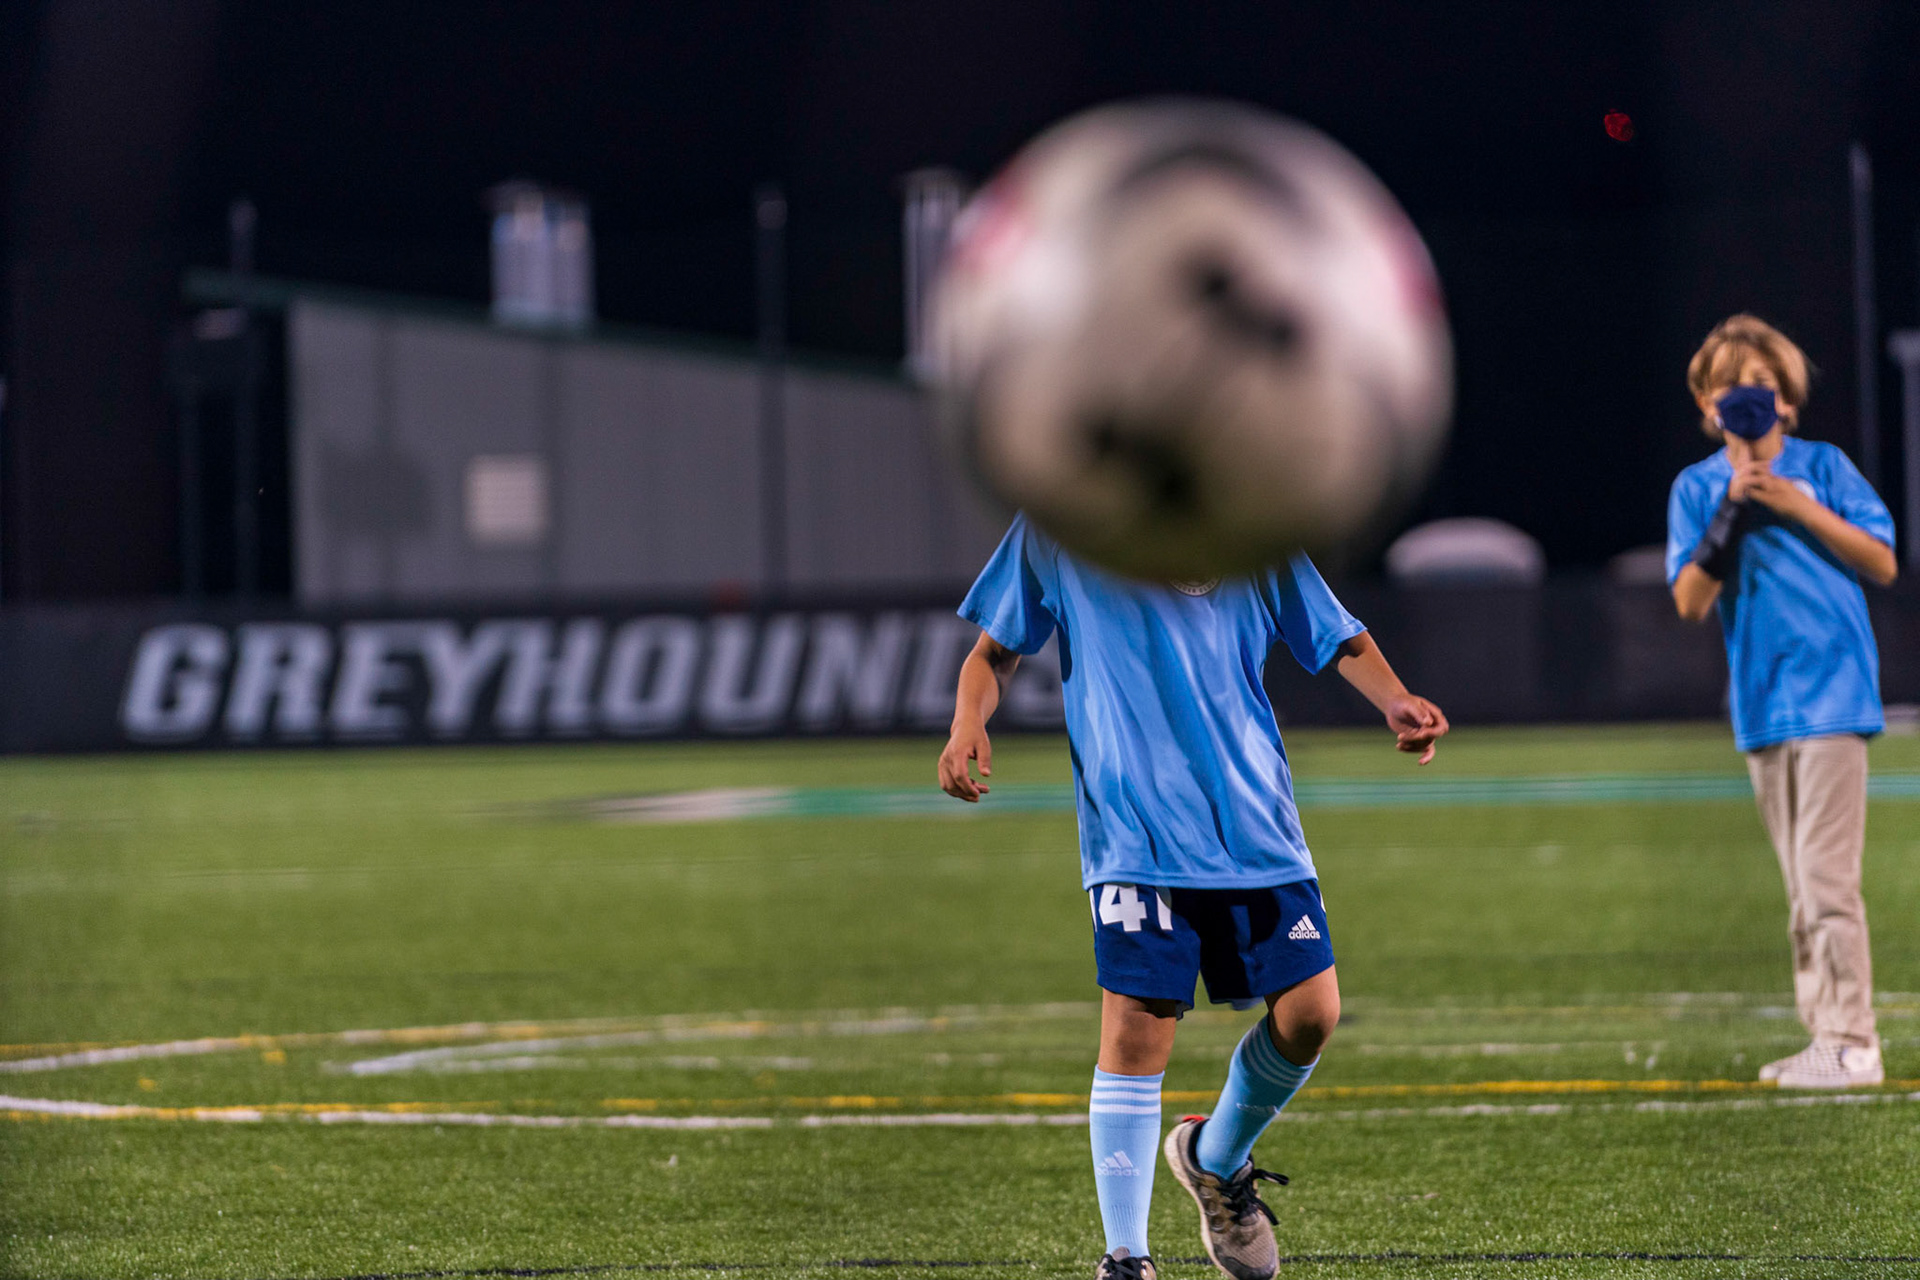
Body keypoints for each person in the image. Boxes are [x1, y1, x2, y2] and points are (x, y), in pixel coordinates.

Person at [938, 517, 1447, 1280]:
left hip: (1256, 821)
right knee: (1139, 1029)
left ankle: (1216, 1162)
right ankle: (1126, 1257)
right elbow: (993, 651)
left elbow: (1337, 635)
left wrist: (1396, 699)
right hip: (1134, 828)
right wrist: (966, 721)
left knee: (1312, 1016)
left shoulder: (1251, 509)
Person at [1666, 313, 1897, 1090]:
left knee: (1828, 880)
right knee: (1802, 887)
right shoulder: (1697, 488)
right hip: (1764, 702)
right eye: (1731, 387)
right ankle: (1825, 1034)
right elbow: (1690, 601)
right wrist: (1733, 511)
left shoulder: (1824, 467)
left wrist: (1794, 503)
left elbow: (1882, 560)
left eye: (1761, 386)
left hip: (1833, 693)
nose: (1747, 400)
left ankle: (1854, 1040)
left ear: (1788, 400)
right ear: (1707, 403)